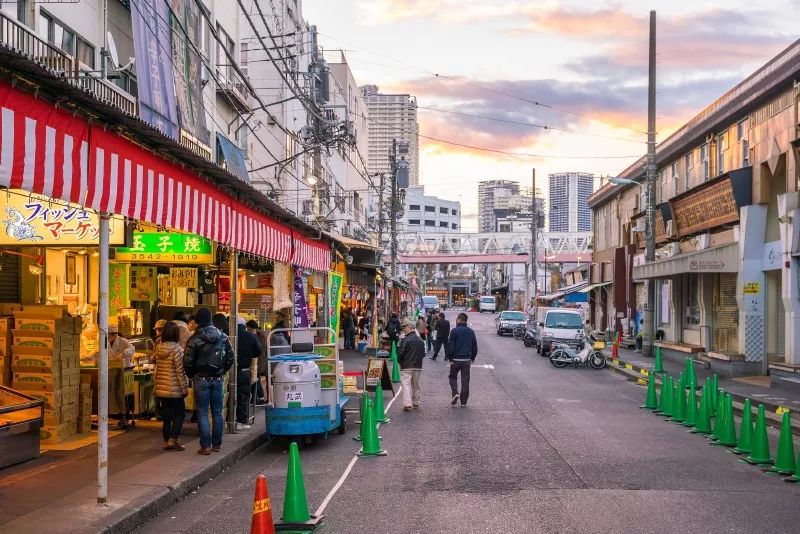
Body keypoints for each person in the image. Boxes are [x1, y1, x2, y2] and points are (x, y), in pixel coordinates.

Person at [184, 308, 234, 455]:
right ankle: (217, 445)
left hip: (201, 379)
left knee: (203, 412)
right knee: (217, 412)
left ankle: (205, 446)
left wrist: (192, 375)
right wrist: (222, 371)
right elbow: (230, 358)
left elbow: (187, 361)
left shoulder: (194, 339)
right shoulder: (223, 337)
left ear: (198, 321)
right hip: (218, 378)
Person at [153, 322, 189, 451]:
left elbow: (156, 370)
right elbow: (180, 371)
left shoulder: (159, 348)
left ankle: (166, 440)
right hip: (175, 388)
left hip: (162, 388)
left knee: (167, 415)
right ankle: (173, 440)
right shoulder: (177, 349)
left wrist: (156, 386)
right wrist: (184, 387)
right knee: (180, 414)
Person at [234, 317, 263, 430]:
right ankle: (241, 421)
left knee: (230, 396)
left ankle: (229, 419)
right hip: (245, 370)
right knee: (243, 396)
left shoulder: (228, 335)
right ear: (244, 326)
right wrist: (249, 354)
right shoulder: (249, 336)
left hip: (230, 371)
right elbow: (258, 351)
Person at [108, 325, 136, 424]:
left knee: (122, 392)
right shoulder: (107, 343)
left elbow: (132, 348)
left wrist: (124, 353)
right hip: (112, 369)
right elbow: (99, 353)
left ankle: (124, 414)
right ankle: (116, 413)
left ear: (113, 335)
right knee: (113, 393)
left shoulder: (122, 341)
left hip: (124, 369)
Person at [448, 313, 478, 407]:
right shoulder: (471, 331)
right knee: (465, 380)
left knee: (452, 377)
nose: (455, 320)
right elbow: (474, 346)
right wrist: (473, 357)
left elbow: (451, 346)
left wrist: (450, 358)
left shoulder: (454, 331)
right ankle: (464, 402)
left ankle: (455, 392)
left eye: (457, 319)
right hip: (466, 360)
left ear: (460, 320)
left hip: (456, 359)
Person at [397, 318, 425, 411]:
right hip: (418, 366)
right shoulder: (420, 340)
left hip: (406, 366)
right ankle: (416, 402)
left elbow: (401, 353)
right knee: (415, 384)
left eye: (404, 327)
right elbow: (423, 354)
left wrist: (399, 361)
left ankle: (407, 404)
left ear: (409, 327)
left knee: (406, 384)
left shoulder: (405, 340)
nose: (403, 329)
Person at [246, 320, 268, 405]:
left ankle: (260, 398)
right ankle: (256, 398)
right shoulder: (260, 335)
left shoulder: (257, 336)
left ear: (251, 328)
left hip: (258, 361)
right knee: (255, 379)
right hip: (259, 360)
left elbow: (258, 350)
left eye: (248, 328)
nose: (247, 330)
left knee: (255, 379)